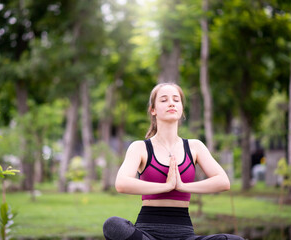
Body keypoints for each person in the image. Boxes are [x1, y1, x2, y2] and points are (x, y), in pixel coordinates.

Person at [103, 83, 244, 240]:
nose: (171, 103)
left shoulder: (195, 146)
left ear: (181, 108)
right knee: (113, 225)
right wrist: (166, 186)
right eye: (164, 100)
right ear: (153, 110)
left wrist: (182, 186)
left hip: (184, 233)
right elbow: (122, 183)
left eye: (176, 100)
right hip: (147, 233)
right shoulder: (140, 147)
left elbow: (223, 182)